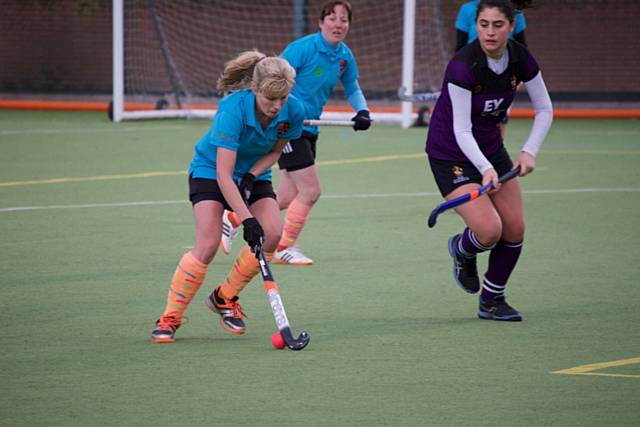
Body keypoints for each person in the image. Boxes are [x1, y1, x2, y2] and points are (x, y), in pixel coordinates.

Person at [151, 51, 304, 343]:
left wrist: (251, 176)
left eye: (283, 98)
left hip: (254, 172)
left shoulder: (293, 110)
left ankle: (225, 297)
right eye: (270, 99)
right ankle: (170, 317)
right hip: (211, 170)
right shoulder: (232, 110)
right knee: (208, 244)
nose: (277, 106)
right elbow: (224, 175)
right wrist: (246, 220)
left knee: (272, 233)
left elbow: (275, 151)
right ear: (255, 89)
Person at [425, 0, 552, 321]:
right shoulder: (463, 66)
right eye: (483, 24)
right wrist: (485, 169)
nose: (490, 32)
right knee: (490, 231)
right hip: (449, 152)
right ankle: (463, 249)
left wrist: (529, 151)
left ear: (511, 26)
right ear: (476, 25)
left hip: (492, 149)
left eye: (498, 25)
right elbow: (461, 128)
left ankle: (492, 300)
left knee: (515, 228)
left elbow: (545, 109)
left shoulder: (521, 58)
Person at [220, 0, 371, 265]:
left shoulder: (345, 57)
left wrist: (362, 111)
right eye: (332, 18)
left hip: (309, 127)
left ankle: (233, 218)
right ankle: (283, 247)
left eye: (344, 19)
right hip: (288, 125)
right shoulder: (302, 49)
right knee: (311, 191)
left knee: (289, 195)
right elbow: (274, 79)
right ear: (321, 22)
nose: (338, 24)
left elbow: (352, 87)